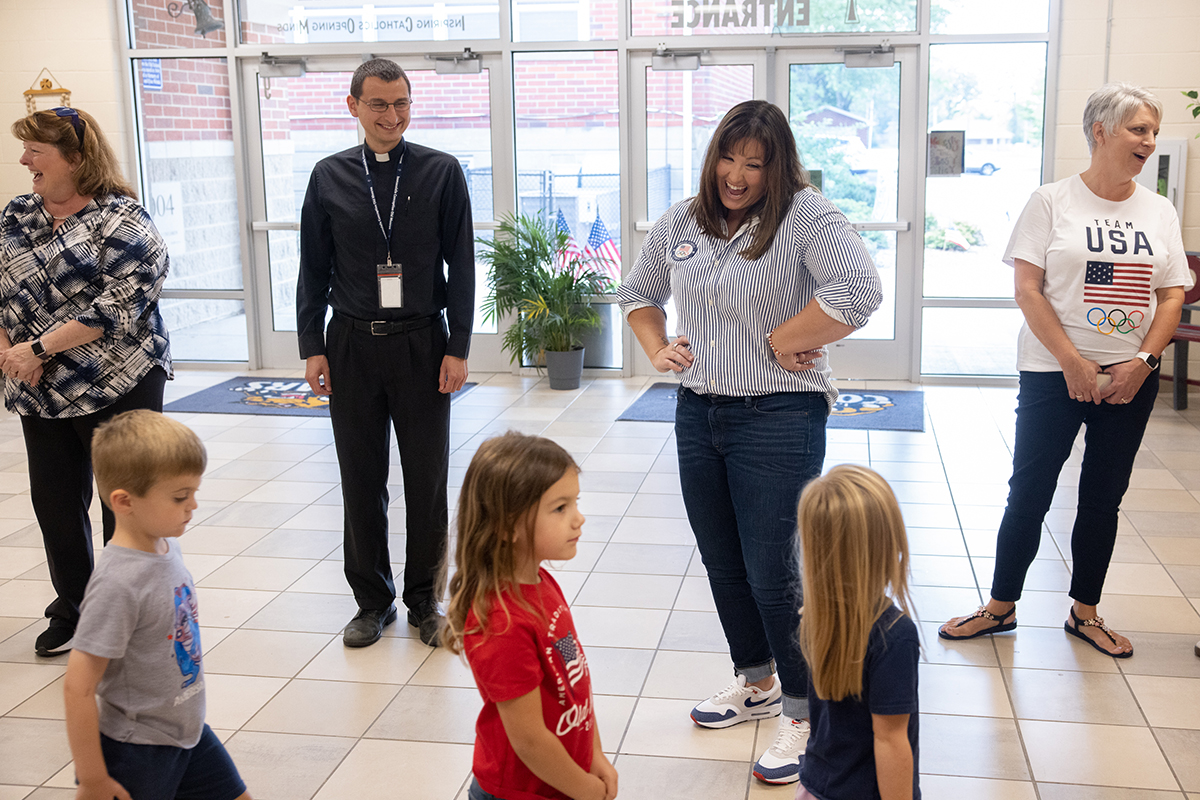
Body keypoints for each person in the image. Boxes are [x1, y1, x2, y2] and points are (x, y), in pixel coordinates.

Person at [617, 99, 882, 784]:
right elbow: (639, 292)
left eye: (755, 164)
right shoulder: (683, 218)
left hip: (780, 417)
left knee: (775, 573)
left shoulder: (806, 216)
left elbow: (860, 289)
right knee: (723, 561)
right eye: (729, 159)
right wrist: (658, 346)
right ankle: (757, 679)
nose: (737, 175)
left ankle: (805, 712)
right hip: (699, 413)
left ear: (777, 167)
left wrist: (784, 339)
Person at [939, 83, 1189, 659]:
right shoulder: (1050, 202)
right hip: (1053, 373)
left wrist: (1143, 363)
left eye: (1153, 131)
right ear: (1100, 131)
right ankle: (999, 607)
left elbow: (1172, 295)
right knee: (1029, 490)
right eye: (1139, 129)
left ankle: (1086, 613)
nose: (1149, 141)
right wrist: (1071, 362)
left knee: (1104, 496)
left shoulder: (1159, 209)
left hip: (1131, 375)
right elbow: (1027, 290)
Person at [296, 58, 475, 648]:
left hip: (423, 343)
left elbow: (464, 266)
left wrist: (458, 346)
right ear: (353, 106)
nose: (391, 116)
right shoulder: (328, 176)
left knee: (427, 477)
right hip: (350, 344)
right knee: (360, 477)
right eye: (378, 104)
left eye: (401, 103)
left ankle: (425, 600)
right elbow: (312, 270)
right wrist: (311, 346)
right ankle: (371, 601)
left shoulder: (441, 172)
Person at [0, 107, 172, 658]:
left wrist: (37, 348)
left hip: (116, 381)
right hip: (38, 386)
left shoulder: (122, 220)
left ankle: (128, 613)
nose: (25, 160)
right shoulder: (17, 216)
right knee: (54, 504)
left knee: (123, 502)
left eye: (36, 151)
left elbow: (120, 304)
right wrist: (8, 352)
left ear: (75, 158)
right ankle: (74, 607)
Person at [63, 410, 250, 800]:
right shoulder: (118, 583)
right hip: (137, 748)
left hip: (188, 732)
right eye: (180, 497)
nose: (192, 505)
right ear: (124, 501)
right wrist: (93, 777)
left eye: (194, 492)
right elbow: (78, 686)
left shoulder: (167, 546)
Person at [442, 432, 618, 800]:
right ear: (507, 526)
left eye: (575, 502)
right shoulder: (500, 622)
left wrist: (594, 753)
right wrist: (585, 789)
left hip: (562, 778)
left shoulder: (541, 581)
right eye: (560, 508)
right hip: (520, 791)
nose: (579, 518)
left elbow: (574, 681)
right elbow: (529, 740)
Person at [795, 465, 920, 800]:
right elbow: (890, 740)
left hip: (816, 783)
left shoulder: (815, 615)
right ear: (887, 545)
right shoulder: (894, 634)